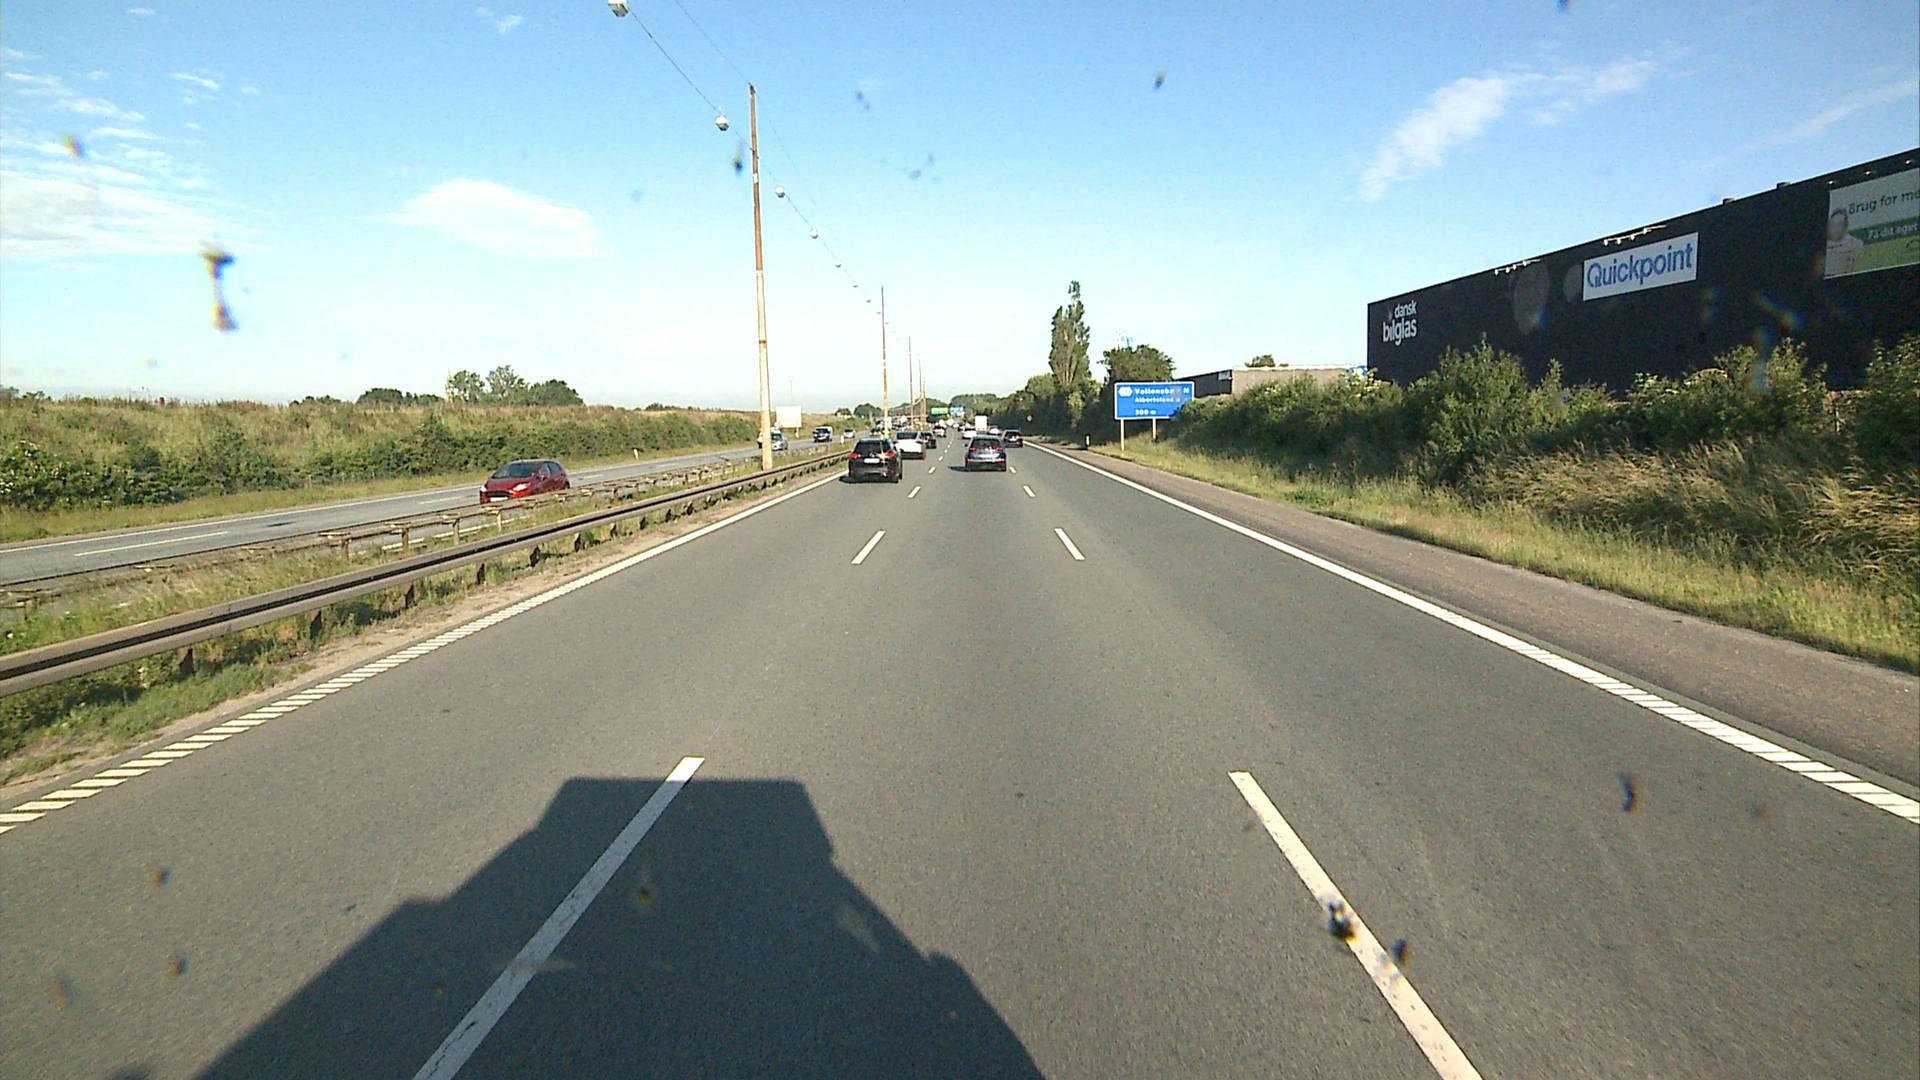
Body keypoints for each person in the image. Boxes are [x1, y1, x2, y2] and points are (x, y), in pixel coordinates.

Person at [1825, 207, 1865, 277]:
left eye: (1839, 225)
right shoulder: (1827, 245)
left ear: (1845, 226)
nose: (1836, 229)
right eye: (1834, 225)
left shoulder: (1855, 243)